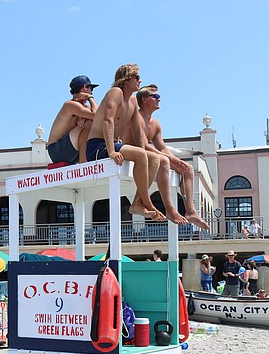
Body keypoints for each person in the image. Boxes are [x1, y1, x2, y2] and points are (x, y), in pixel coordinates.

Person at [85, 63, 165, 222]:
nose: (140, 81)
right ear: (126, 79)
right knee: (143, 155)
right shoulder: (115, 92)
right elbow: (107, 121)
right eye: (137, 77)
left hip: (114, 144)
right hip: (97, 146)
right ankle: (147, 202)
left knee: (154, 158)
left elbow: (138, 131)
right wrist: (111, 152)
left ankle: (137, 203)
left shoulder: (133, 101)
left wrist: (145, 156)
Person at [130, 84, 210, 230]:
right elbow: (142, 145)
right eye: (156, 97)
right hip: (135, 152)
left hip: (149, 154)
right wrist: (169, 158)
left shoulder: (155, 123)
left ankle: (191, 211)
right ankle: (170, 210)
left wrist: (176, 160)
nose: (159, 100)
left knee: (188, 168)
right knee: (165, 161)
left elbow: (161, 147)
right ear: (144, 100)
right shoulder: (137, 118)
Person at [47, 75, 99, 164]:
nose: (92, 93)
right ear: (85, 88)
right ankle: (84, 162)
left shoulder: (84, 108)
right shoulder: (70, 105)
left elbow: (99, 117)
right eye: (91, 89)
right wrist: (90, 98)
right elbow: (96, 115)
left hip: (70, 151)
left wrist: (85, 118)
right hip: (57, 150)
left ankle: (87, 158)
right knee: (90, 123)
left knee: (93, 122)